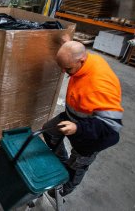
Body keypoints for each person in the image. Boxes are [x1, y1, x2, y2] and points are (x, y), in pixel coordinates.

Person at [44, 41, 123, 197]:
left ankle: (65, 189)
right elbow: (71, 48)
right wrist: (66, 41)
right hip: (74, 117)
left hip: (91, 135)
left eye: (67, 69)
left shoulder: (99, 86)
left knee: (77, 165)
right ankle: (62, 162)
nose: (64, 72)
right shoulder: (86, 59)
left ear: (81, 61)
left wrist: (77, 128)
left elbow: (112, 131)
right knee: (49, 132)